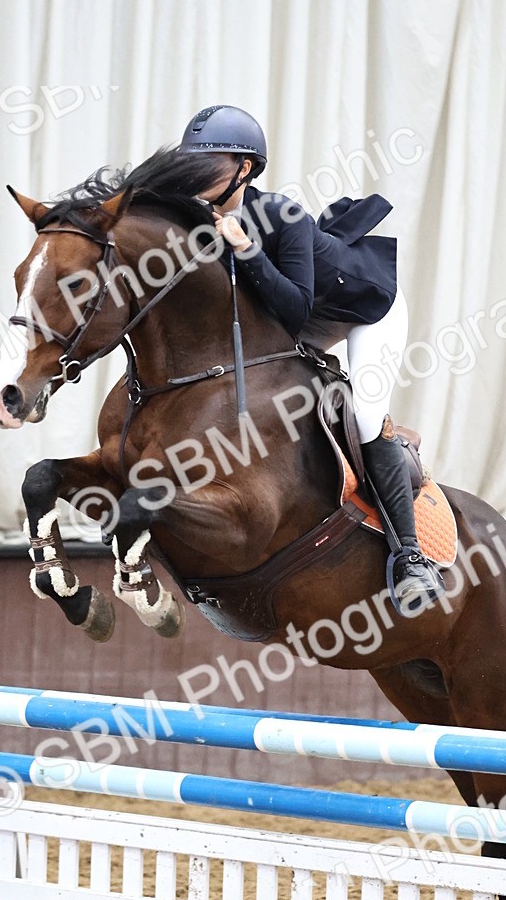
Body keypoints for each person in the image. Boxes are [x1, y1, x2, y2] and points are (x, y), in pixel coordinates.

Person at [180, 104, 445, 615]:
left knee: (365, 419)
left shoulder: (283, 216)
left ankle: (411, 558)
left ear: (245, 169)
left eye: (208, 164)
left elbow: (296, 308)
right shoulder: (195, 218)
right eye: (191, 163)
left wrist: (246, 250)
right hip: (295, 315)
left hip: (364, 309)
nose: (194, 176)